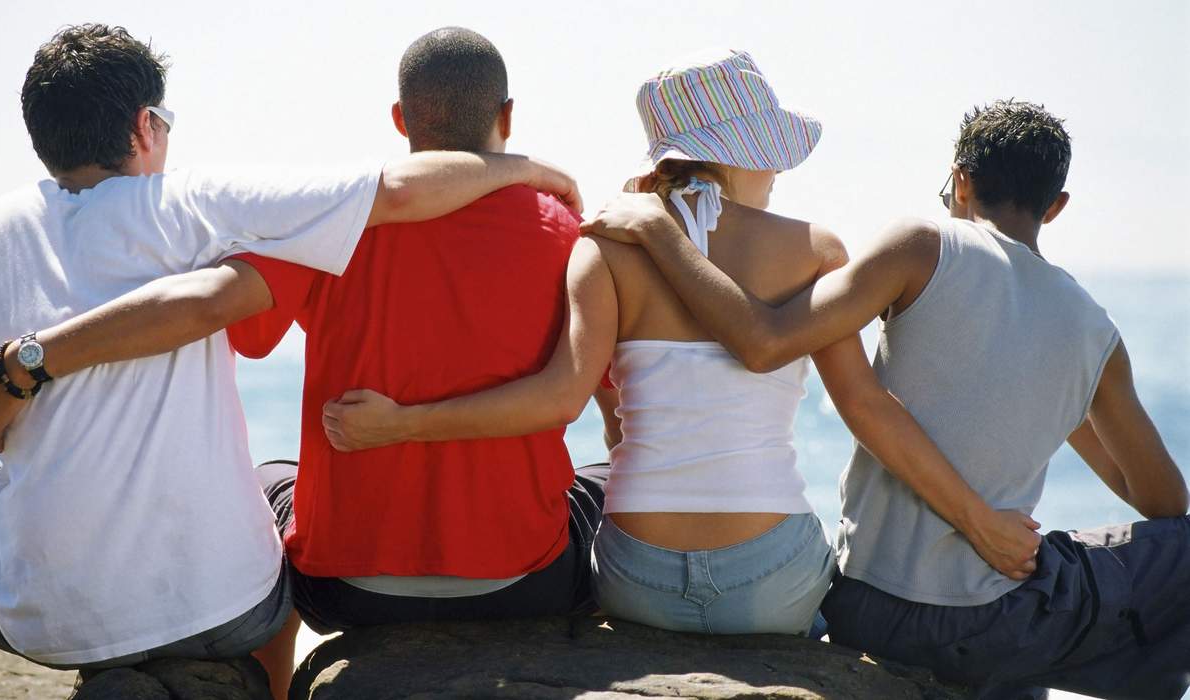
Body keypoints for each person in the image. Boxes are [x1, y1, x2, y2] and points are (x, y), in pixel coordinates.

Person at [0, 26, 593, 700]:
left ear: (400, 120)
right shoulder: (567, 230)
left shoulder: (322, 231)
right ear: (508, 116)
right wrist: (533, 173)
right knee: (593, 484)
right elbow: (600, 397)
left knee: (270, 481)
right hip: (524, 577)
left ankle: (273, 686)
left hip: (346, 588)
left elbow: (248, 334)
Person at [324, 50, 1041, 639]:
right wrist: (979, 522)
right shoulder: (814, 247)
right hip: (769, 582)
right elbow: (865, 407)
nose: (779, 171)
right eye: (771, 154)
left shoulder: (601, 244)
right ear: (740, 154)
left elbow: (560, 397)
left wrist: (402, 424)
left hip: (636, 577)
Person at [579, 100, 1189, 699]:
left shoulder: (921, 245)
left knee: (1009, 662)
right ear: (1056, 208)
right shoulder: (1094, 333)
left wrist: (662, 230)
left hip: (868, 606)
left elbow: (771, 343)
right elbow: (1163, 501)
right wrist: (1064, 400)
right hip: (996, 616)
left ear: (959, 181)